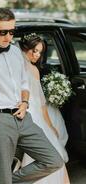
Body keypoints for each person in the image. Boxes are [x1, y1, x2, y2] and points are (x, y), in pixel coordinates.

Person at [0, 8, 63, 184]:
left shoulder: (16, 52)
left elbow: (24, 83)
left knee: (53, 160)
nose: (8, 37)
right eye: (3, 32)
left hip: (22, 117)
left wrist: (25, 102)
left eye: (12, 31)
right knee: (1, 174)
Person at [19, 33, 70, 184]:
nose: (37, 55)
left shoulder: (13, 66)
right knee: (53, 157)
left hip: (24, 114)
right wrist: (50, 126)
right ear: (24, 48)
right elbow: (41, 104)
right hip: (34, 116)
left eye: (40, 52)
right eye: (34, 50)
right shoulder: (32, 70)